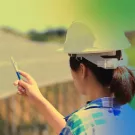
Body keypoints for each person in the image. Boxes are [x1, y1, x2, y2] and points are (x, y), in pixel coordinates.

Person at [14, 22, 135, 135]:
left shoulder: (79, 124)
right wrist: (38, 98)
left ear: (82, 70)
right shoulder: (130, 115)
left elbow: (77, 129)